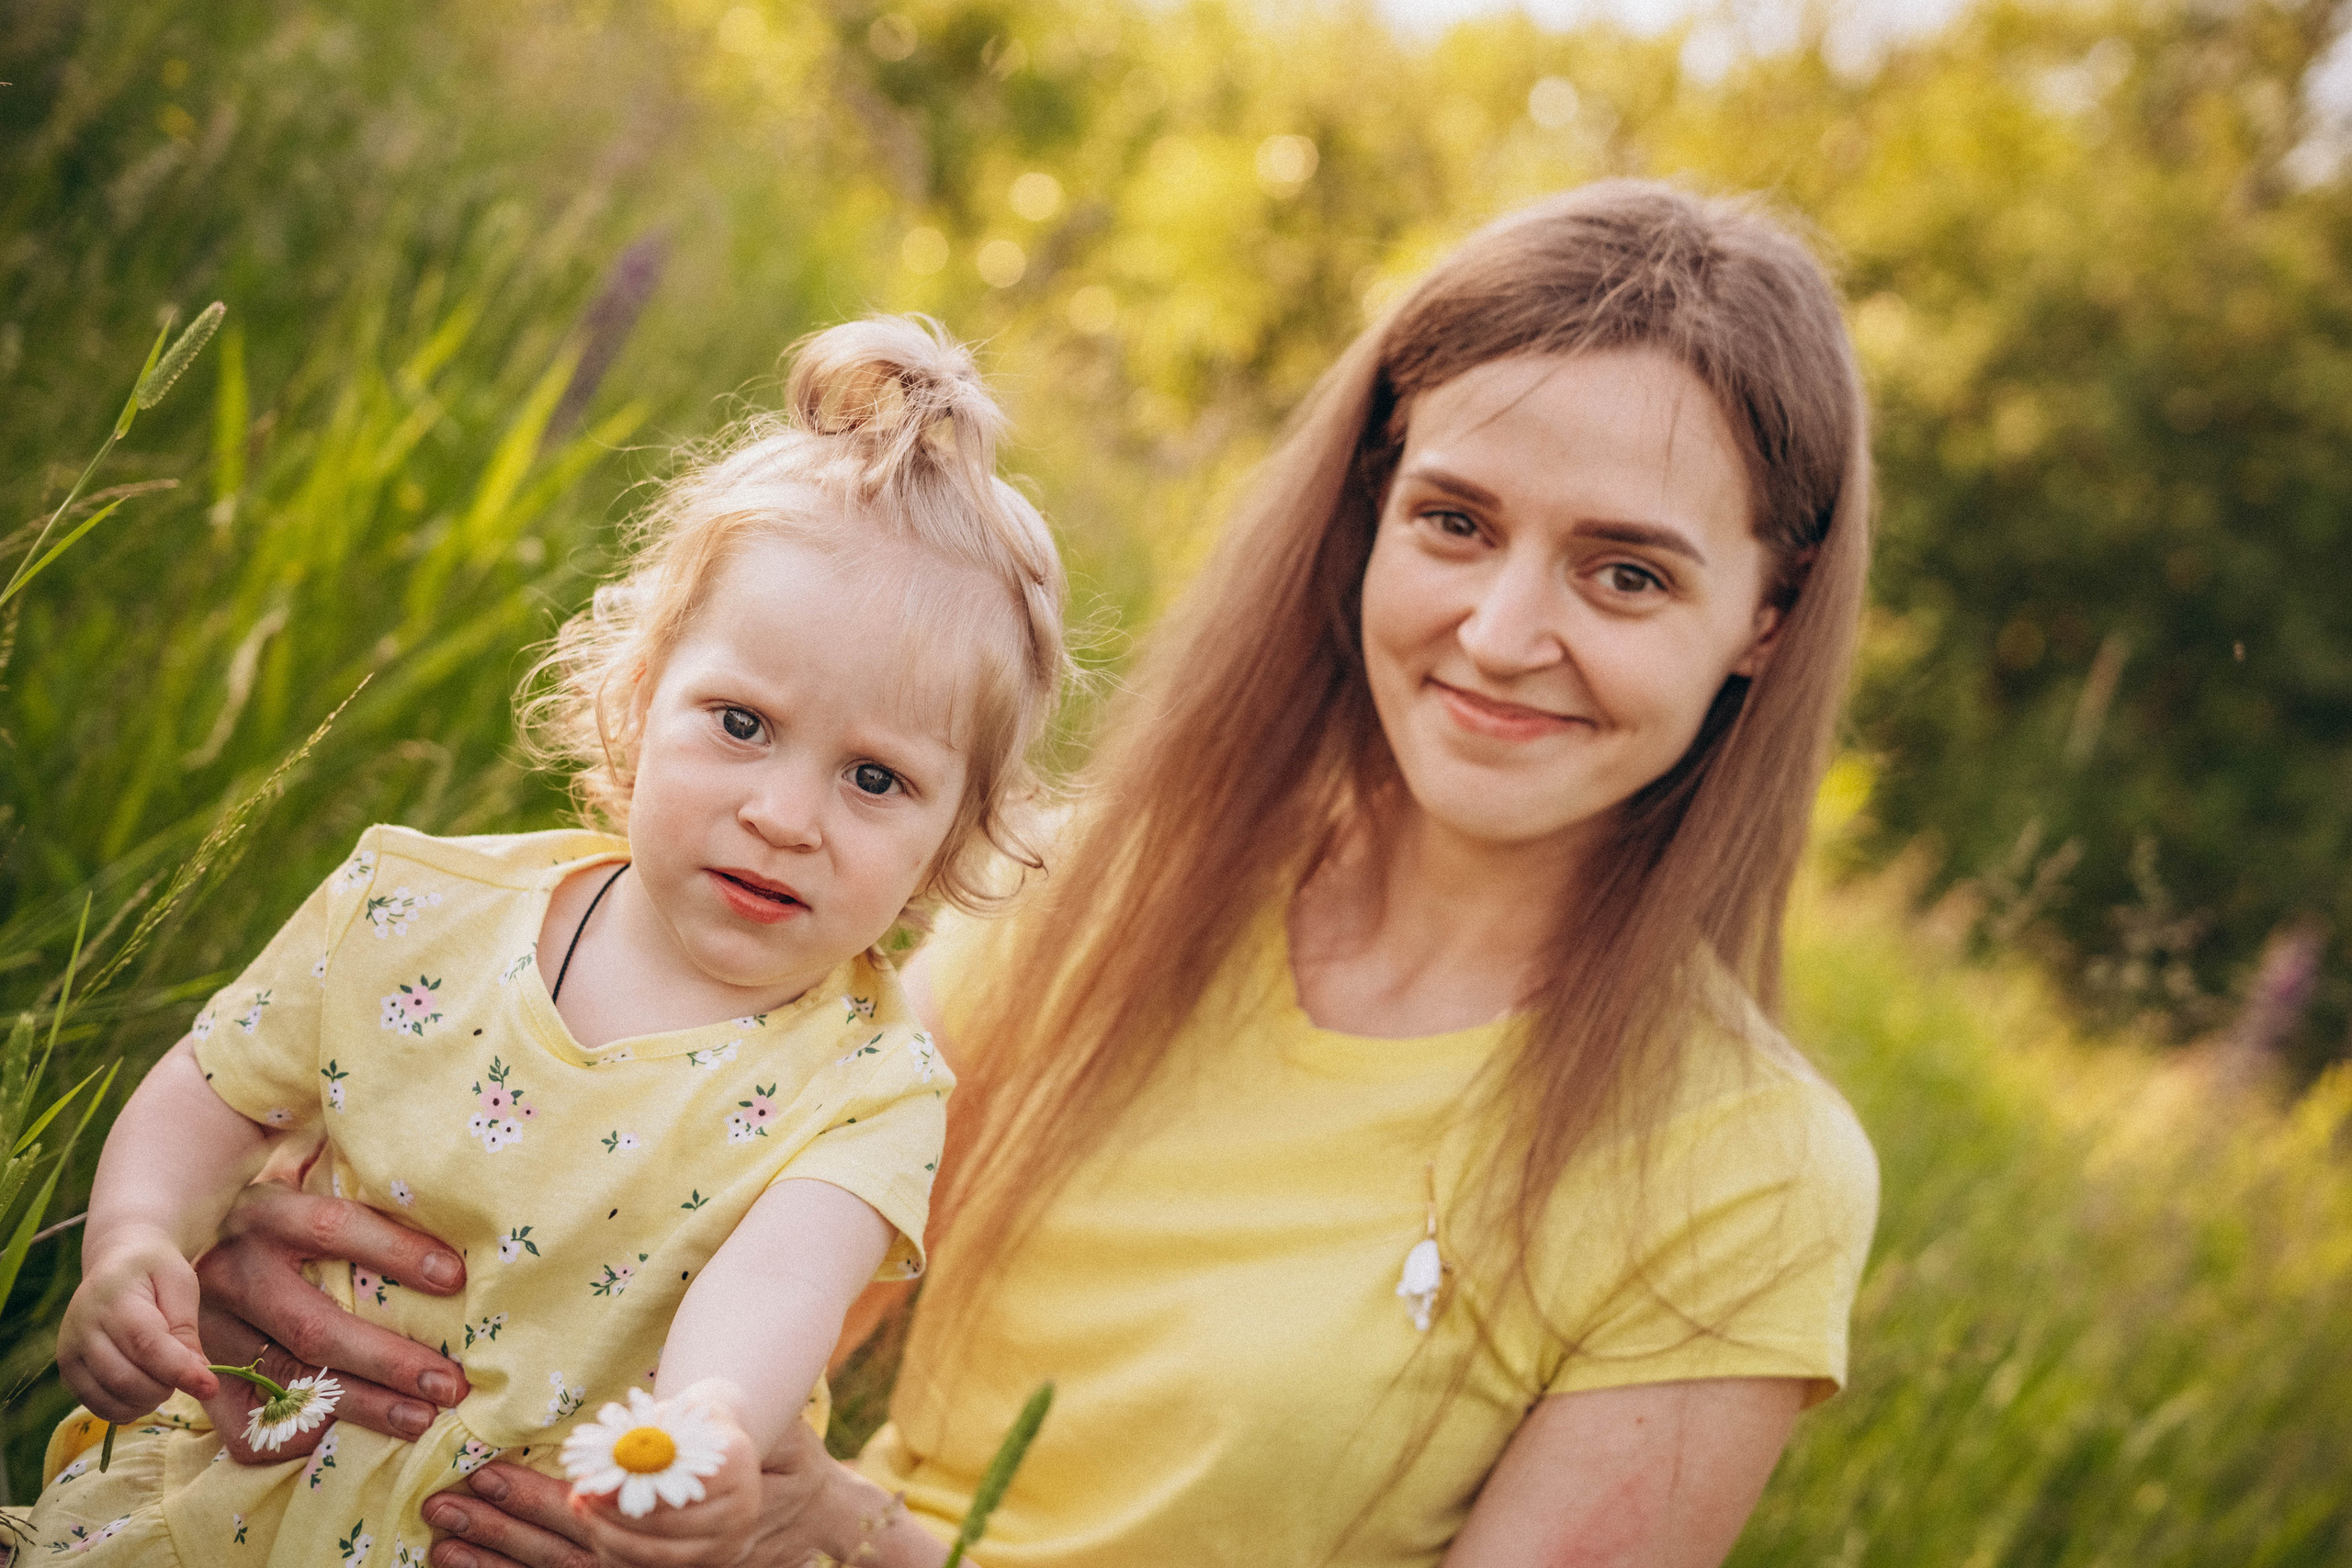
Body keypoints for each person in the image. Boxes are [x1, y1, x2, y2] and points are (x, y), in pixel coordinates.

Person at [187, 179, 1881, 1568]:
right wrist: (309, 1264)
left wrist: (855, 1538)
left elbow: (810, 1508)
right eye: (1454, 520)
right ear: (1367, 513)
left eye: (1630, 574)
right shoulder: (1084, 897)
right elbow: (670, 1299)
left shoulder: (1741, 1170)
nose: (1504, 635)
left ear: (1768, 618)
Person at [22, 317, 1069, 1566]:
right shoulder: (413, 910)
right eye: (740, 722)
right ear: (639, 694)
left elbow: (778, 1287)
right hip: (221, 1515)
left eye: (877, 779)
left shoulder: (864, 1093)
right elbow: (215, 1089)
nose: (784, 815)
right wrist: (136, 1238)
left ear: (958, 834)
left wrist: (703, 1439)